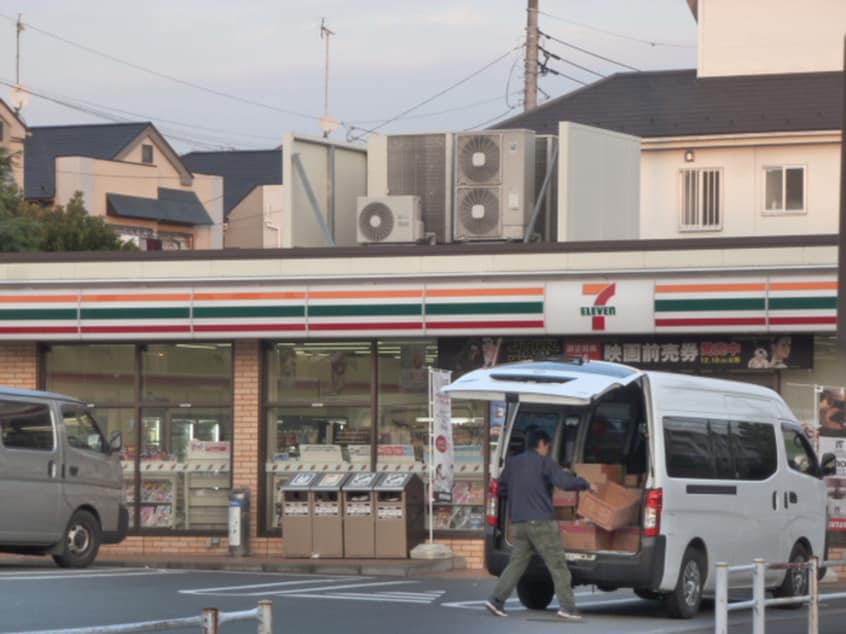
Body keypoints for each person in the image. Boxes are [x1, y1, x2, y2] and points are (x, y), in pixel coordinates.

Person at [485, 428, 593, 621]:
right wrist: (586, 484)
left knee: (517, 564)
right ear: (541, 444)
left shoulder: (513, 464)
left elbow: (501, 488)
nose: (548, 449)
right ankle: (567, 607)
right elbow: (565, 483)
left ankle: (496, 600)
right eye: (548, 446)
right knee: (557, 565)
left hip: (519, 523)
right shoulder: (545, 463)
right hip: (542, 523)